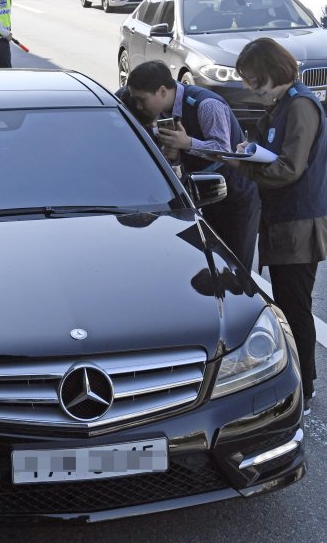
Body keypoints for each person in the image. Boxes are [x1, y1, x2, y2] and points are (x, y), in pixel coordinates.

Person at [234, 38, 327, 414]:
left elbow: (290, 168)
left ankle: (305, 389)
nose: (248, 86)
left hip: (299, 224)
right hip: (284, 221)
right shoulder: (281, 104)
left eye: (252, 77)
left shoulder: (301, 105)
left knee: (295, 307)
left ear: (269, 72)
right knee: (287, 306)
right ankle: (299, 384)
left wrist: (244, 165)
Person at [123, 60, 260, 273]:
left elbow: (223, 149)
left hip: (234, 196)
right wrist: (175, 155)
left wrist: (186, 144)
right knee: (209, 266)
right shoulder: (163, 112)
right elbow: (179, 158)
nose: (140, 107)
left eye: (142, 100)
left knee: (236, 266)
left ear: (161, 91)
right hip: (201, 195)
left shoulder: (206, 105)